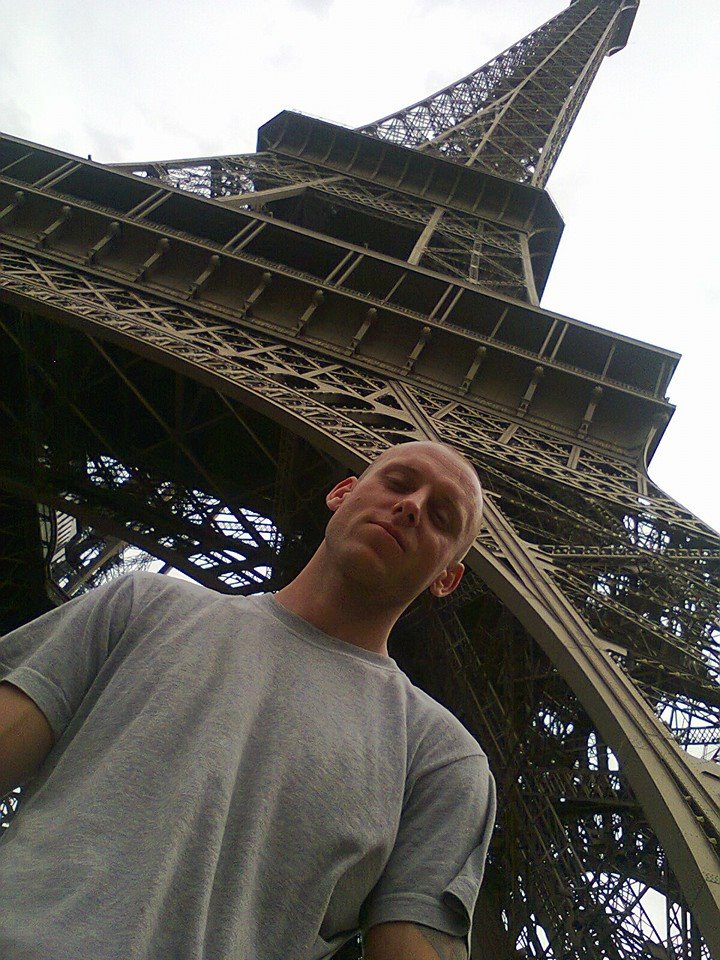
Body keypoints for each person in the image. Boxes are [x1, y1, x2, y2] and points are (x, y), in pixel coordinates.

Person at [0, 440, 496, 960]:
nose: (412, 505)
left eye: (441, 517)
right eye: (397, 482)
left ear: (448, 578)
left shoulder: (443, 760)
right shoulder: (142, 604)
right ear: (342, 493)